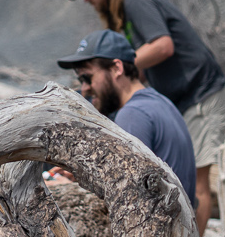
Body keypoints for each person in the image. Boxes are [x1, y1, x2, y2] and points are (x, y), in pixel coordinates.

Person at [68, 0, 225, 234]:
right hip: (179, 97)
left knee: (198, 182)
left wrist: (116, 65)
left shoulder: (136, 0)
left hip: (201, 91)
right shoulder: (123, 14)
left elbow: (163, 46)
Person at [56, 29, 198, 210]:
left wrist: (67, 190)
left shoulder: (132, 115)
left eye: (87, 78)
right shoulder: (160, 102)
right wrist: (81, 178)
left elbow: (127, 200)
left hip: (158, 233)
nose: (85, 89)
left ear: (117, 68)